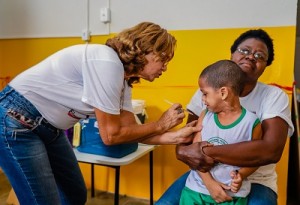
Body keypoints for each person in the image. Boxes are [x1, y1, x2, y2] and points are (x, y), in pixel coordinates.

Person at [0, 22, 200, 205]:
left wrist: (173, 136)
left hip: (49, 128)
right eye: (163, 59)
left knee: (74, 194)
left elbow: (129, 131)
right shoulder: (107, 62)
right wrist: (162, 124)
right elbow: (111, 136)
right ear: (145, 51)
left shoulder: (124, 80)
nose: (165, 67)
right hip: (17, 119)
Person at [156, 29, 294, 205]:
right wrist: (210, 183)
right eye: (244, 51)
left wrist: (206, 152)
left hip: (255, 179)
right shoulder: (206, 93)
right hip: (203, 175)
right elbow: (185, 147)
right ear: (232, 54)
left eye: (259, 55)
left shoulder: (273, 96)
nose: (251, 57)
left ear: (266, 65)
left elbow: (270, 151)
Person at [179, 60, 262, 205]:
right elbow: (195, 154)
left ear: (223, 93)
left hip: (231, 196)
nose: (202, 99)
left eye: (205, 94)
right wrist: (209, 182)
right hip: (196, 190)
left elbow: (256, 159)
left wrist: (241, 176)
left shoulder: (251, 123)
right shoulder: (205, 116)